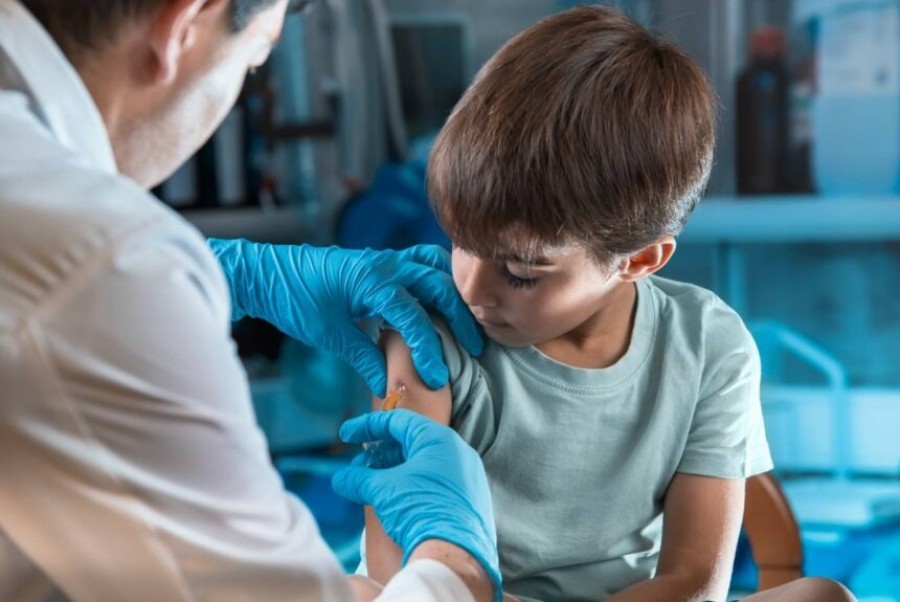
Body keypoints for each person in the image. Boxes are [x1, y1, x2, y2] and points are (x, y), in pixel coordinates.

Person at [0, 0, 504, 600]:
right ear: (183, 25)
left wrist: (232, 271)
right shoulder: (97, 265)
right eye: (254, 63)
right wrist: (456, 562)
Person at [359, 6, 857, 602]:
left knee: (821, 597)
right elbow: (400, 572)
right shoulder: (426, 329)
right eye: (461, 242)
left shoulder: (707, 347)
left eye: (520, 272)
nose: (470, 289)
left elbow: (694, 581)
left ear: (639, 260)